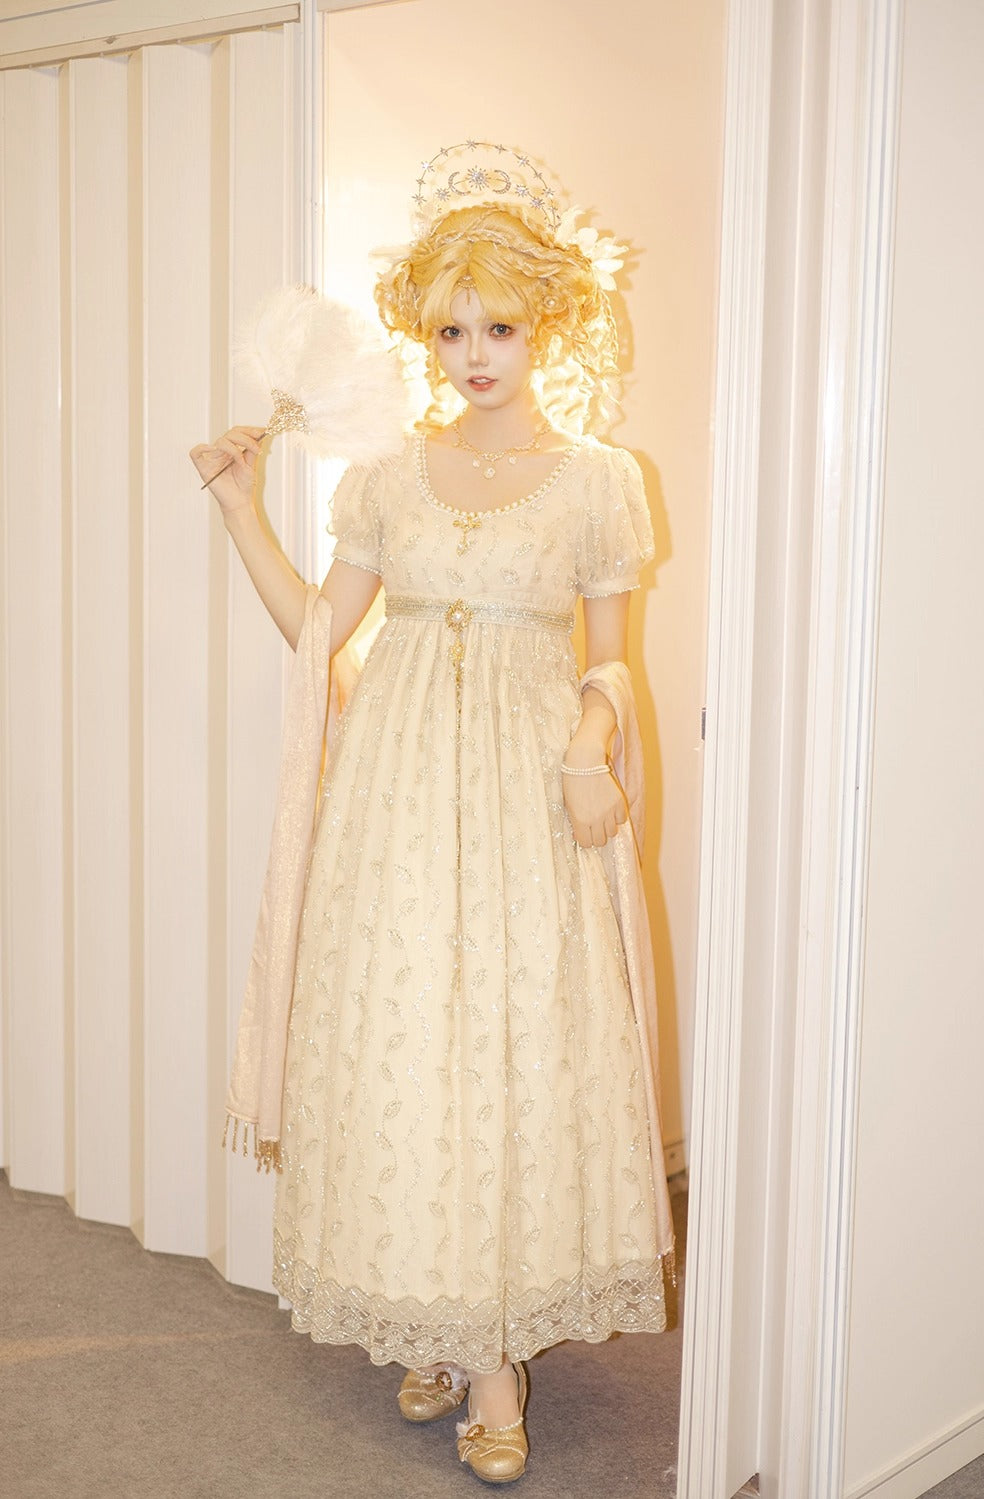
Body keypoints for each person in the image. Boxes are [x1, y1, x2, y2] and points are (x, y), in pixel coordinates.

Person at [190, 143, 674, 1486]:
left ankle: (492, 1353)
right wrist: (239, 510)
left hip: (524, 794)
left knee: (511, 1049)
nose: (474, 355)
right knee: (409, 1048)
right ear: (424, 333)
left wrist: (590, 744)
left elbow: (613, 658)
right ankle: (438, 1319)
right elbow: (319, 635)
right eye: (452, 330)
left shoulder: (601, 480)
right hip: (396, 798)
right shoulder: (388, 479)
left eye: (499, 327)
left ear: (546, 322)